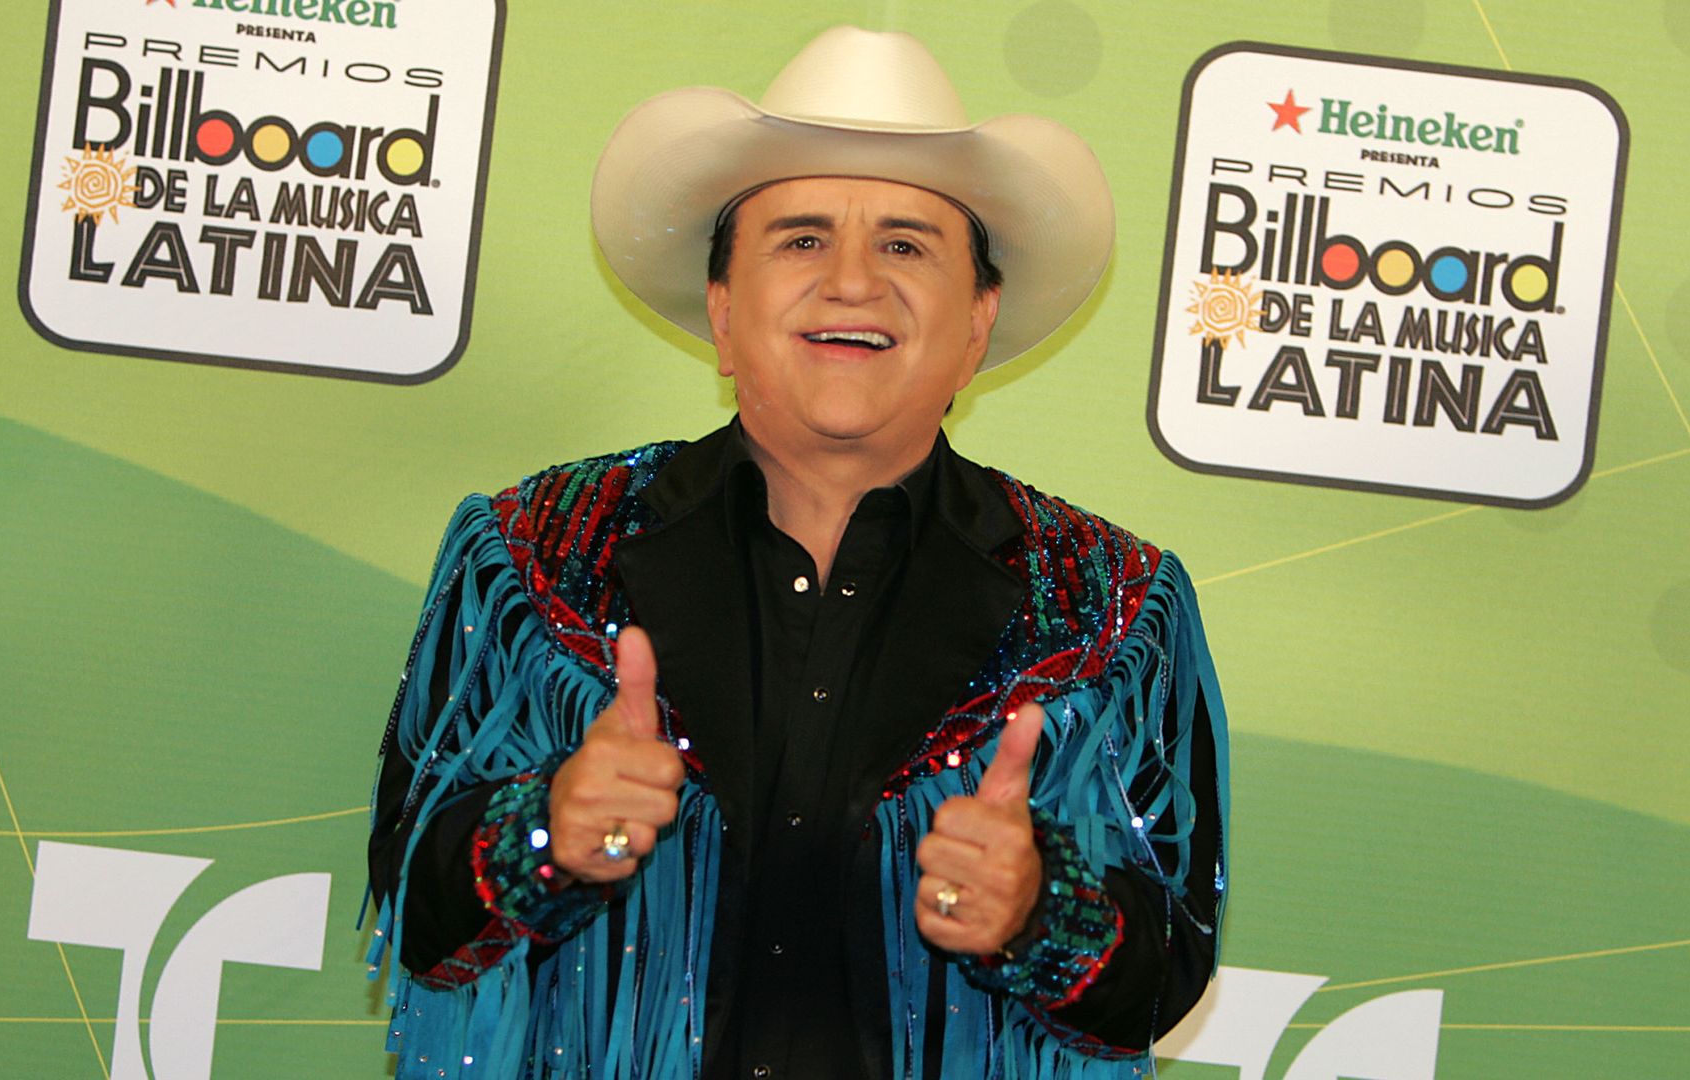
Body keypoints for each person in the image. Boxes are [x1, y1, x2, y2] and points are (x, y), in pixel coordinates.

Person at [366, 26, 1229, 1080]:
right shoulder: (531, 555)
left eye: (907, 244)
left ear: (976, 326)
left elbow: (1171, 973)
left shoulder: (1112, 609)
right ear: (724, 315)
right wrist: (542, 832)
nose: (854, 283)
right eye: (803, 239)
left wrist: (1042, 912)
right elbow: (415, 916)